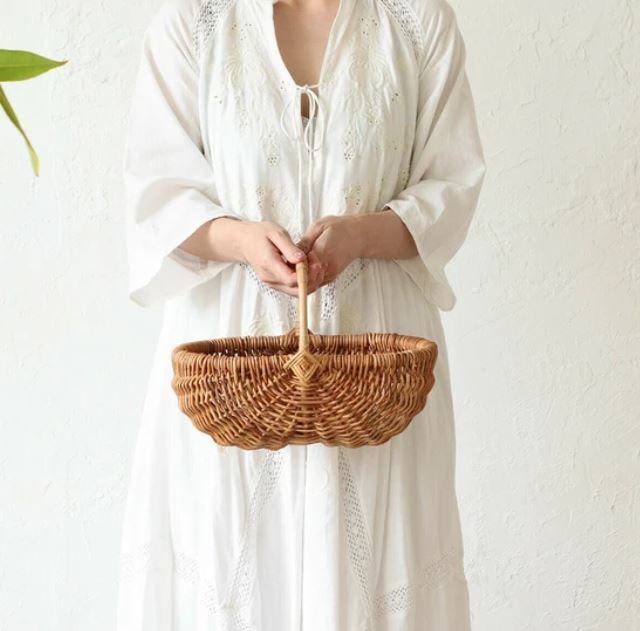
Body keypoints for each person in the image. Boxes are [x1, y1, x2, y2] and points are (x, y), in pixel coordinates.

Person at [117, 0, 487, 629]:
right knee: (233, 565)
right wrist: (241, 240)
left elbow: (452, 186)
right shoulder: (195, 23)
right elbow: (157, 195)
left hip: (380, 368)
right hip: (228, 369)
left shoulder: (416, 20)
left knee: (377, 568)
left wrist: (361, 234)